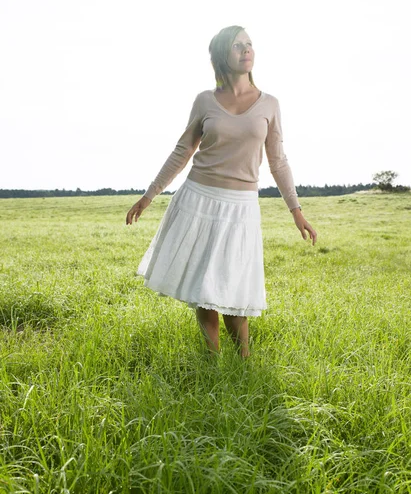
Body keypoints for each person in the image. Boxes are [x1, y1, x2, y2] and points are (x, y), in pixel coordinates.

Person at [126, 25, 317, 358]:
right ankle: (211, 363)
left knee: (234, 287)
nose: (246, 50)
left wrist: (296, 211)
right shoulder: (205, 100)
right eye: (237, 45)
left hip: (241, 206)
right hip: (198, 200)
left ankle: (244, 361)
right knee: (204, 287)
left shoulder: (270, 104)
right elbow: (182, 151)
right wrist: (149, 195)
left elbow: (278, 161)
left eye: (249, 44)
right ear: (221, 56)